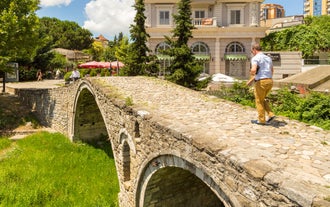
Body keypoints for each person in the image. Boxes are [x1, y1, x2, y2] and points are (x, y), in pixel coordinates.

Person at [247, 43, 276, 125]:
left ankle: (261, 120)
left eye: (252, 51)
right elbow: (272, 70)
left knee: (259, 101)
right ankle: (271, 114)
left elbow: (253, 70)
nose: (252, 52)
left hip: (261, 82)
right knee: (262, 99)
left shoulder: (255, 58)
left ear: (254, 50)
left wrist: (252, 73)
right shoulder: (268, 58)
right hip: (270, 81)